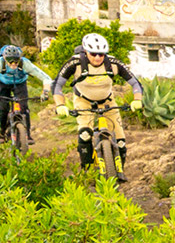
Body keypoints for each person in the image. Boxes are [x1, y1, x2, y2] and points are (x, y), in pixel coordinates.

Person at [50, 33, 144, 181]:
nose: (98, 58)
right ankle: (87, 170)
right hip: (83, 101)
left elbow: (135, 83)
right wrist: (60, 104)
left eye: (101, 54)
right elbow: (57, 85)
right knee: (85, 134)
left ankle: (119, 170)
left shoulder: (113, 63)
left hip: (107, 101)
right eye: (93, 54)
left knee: (120, 140)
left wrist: (137, 99)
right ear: (86, 52)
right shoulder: (75, 63)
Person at [0, 44, 52, 143]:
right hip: (2, 84)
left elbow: (46, 78)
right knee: (3, 107)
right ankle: (1, 133)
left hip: (20, 84)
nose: (13, 64)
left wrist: (45, 92)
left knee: (24, 107)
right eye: (10, 61)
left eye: (16, 61)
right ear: (4, 58)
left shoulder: (25, 64)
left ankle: (27, 135)